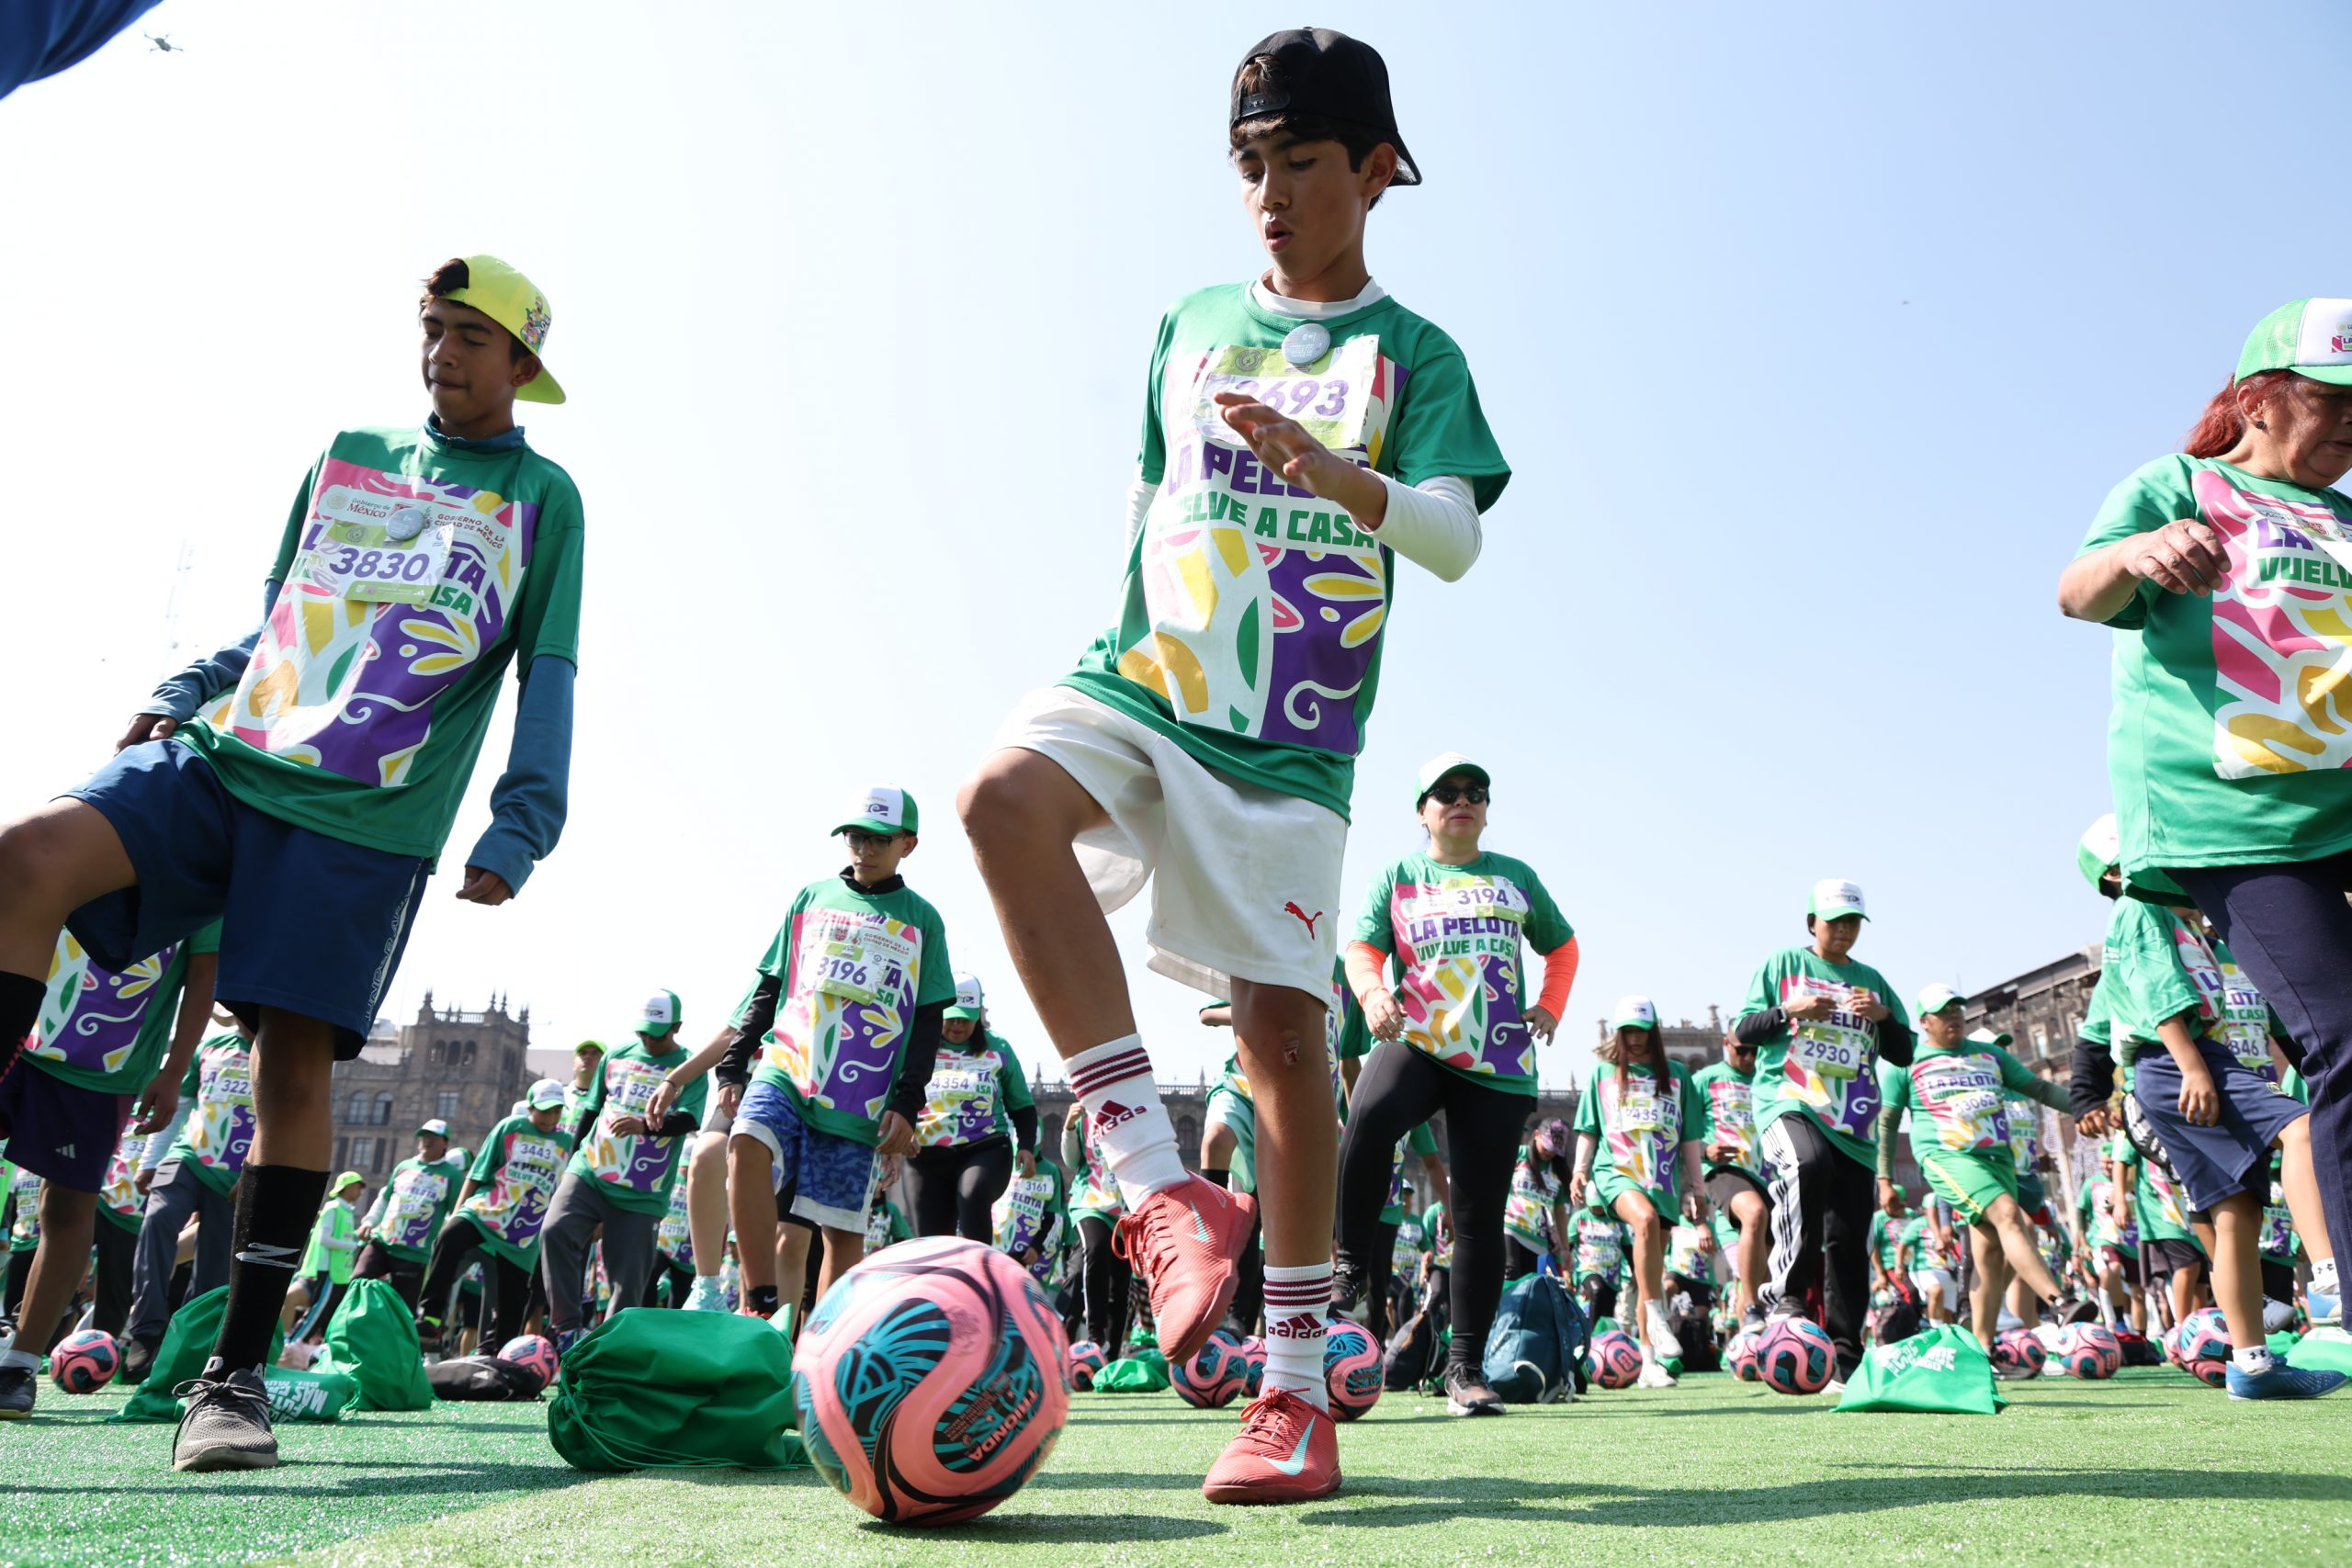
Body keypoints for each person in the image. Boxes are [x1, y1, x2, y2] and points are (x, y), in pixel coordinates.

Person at [956, 22, 1509, 1502]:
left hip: (1291, 737)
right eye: (1248, 164)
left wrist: (1337, 478)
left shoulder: (1416, 353)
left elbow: (1452, 538)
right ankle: (1155, 1186)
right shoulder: (1190, 320)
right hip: (1151, 674)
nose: (1270, 192)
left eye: (1303, 161)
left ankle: (1290, 1385)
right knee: (999, 798)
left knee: (1280, 1039)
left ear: (1379, 168)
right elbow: (1152, 500)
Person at [0, 254, 581, 1470]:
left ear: (524, 361)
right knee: (25, 857)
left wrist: (521, 820)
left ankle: (234, 1377)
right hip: (231, 754)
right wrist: (187, 686)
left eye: (472, 336)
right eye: (432, 329)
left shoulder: (544, 494)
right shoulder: (346, 449)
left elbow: (547, 674)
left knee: (292, 1066)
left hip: (363, 813)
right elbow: (278, 612)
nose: (444, 352)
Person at [2057, 299, 2352, 1294]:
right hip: (2237, 824)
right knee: (2341, 1040)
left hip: (2341, 802)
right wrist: (2137, 555)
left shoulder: (2346, 522)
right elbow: (2075, 591)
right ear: (2259, 402)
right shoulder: (2178, 484)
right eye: (2332, 401)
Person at [1336, 752, 1575, 1421]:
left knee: (1477, 1218)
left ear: (1486, 809)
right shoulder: (1401, 875)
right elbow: (1361, 947)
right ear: (1423, 810)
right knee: (1367, 1118)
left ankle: (1466, 1370)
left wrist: (1551, 1004)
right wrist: (1374, 991)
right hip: (1418, 1039)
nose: (1462, 800)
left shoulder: (1514, 876)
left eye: (1475, 792)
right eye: (1446, 792)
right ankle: (1350, 1266)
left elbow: (1562, 945)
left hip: (1497, 1061)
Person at [679, 789, 949, 1326]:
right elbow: (770, 986)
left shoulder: (923, 920)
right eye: (856, 837)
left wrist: (907, 1102)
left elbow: (927, 1021)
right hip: (788, 1064)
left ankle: (817, 1358)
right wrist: (732, 1066)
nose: (865, 850)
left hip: (861, 1091)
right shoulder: (811, 897)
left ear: (908, 845)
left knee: (840, 1233)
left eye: (879, 839)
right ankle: (758, 1304)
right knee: (745, 1142)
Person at [2096, 854, 2344, 1396]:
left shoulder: (2189, 925)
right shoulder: (2141, 909)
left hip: (2181, 1064)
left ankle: (2250, 1364)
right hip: (2181, 1060)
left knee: (2235, 1212)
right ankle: (2331, 1278)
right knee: (2300, 1129)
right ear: (2120, 873)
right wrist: (2191, 1066)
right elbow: (2159, 995)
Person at [0, 922, 219, 1417]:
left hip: (103, 1067)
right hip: (18, 1021)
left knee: (67, 1207)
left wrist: (173, 1068)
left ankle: (18, 1365)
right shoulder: (75, 843)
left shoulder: (207, 863)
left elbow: (205, 973)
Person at [1732, 879, 1915, 1390]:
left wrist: (1881, 1018)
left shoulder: (1872, 981)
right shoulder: (1783, 965)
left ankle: (1845, 1352)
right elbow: (1743, 1030)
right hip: (1789, 1102)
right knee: (1807, 1165)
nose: (1844, 931)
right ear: (1812, 922)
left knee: (1850, 1238)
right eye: (1834, 921)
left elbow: (1903, 1052)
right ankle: (1785, 1298)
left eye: (1853, 922)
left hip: (1853, 1122)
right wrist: (1791, 1011)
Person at [1873, 987, 2095, 1361]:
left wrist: (2089, 1106)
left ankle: (1980, 1350)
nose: (1954, 1016)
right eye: (1943, 1012)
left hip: (1996, 1159)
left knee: (1990, 1254)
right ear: (1925, 1022)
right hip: (1946, 1156)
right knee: (2008, 1214)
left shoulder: (1989, 1055)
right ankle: (2060, 1301)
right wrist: (1883, 1180)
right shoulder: (1906, 1062)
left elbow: (2039, 1088)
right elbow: (1888, 1123)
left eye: (1957, 1008)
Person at [541, 991, 706, 1348]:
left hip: (641, 1191)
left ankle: (609, 1353)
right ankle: (567, 1329)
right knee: (555, 1230)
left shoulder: (689, 1068)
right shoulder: (616, 1055)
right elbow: (590, 1109)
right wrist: (573, 1160)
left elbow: (689, 1119)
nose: (647, 1040)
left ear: (676, 1028)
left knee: (627, 1283)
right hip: (591, 1170)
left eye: (657, 1034)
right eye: (643, 1032)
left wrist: (645, 1126)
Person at [1571, 996, 1708, 1387]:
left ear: (1654, 1032)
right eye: (1626, 1031)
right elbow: (1589, 1127)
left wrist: (1697, 1189)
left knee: (1650, 1269)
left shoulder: (1679, 1077)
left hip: (1662, 1179)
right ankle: (1657, 1313)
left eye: (1641, 1031)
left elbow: (1690, 1139)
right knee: (1644, 1219)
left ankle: (1648, 1361)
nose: (1633, 1039)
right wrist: (1581, 1170)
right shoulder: (1604, 1074)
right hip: (1616, 1171)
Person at [417, 1080, 575, 1353]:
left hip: (524, 1232)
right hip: (488, 1210)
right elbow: (477, 1173)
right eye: (544, 1111)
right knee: (450, 1236)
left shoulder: (567, 1143)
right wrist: (456, 1214)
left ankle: (502, 1364)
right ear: (530, 1107)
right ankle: (431, 1315)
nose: (550, 1118)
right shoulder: (509, 1127)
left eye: (556, 1111)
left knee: (512, 1305)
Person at [909, 974, 1038, 1241]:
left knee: (973, 1194)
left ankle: (979, 1275)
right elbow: (900, 1091)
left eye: (965, 1019)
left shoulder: (998, 1048)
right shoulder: (920, 1045)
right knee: (931, 1238)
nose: (957, 1025)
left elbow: (1022, 1105)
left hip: (984, 1146)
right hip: (926, 1152)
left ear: (977, 1016)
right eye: (952, 1017)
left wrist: (1025, 1145)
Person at [1692, 1032, 1771, 1325]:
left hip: (1767, 1176)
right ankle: (1751, 1309)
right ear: (1726, 1044)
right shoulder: (1704, 1079)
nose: (1749, 1057)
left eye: (1754, 1051)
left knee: (1762, 1274)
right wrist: (1704, 1149)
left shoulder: (1768, 1079)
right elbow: (1679, 1129)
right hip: (1724, 1170)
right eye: (1742, 1050)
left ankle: (1747, 1343)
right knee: (1755, 1213)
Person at [352, 1119, 462, 1311]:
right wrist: (369, 1221)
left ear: (445, 1143)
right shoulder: (404, 1166)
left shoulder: (452, 1175)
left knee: (401, 1309)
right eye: (424, 1136)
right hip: (382, 1242)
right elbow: (385, 1198)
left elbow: (455, 1214)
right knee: (357, 1283)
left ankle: (392, 1340)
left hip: (414, 1253)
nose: (427, 1140)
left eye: (433, 1137)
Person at [1062, 1101, 1133, 1353]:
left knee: (1120, 1285)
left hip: (1126, 1210)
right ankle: (1095, 1336)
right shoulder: (1084, 1114)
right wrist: (1070, 1127)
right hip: (1089, 1201)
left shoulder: (1136, 1112)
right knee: (1096, 1247)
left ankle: (1111, 1353)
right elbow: (1071, 1162)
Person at [281, 1172, 363, 1343]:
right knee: (301, 1305)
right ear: (346, 1187)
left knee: (319, 1314)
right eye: (357, 1186)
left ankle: (291, 1344)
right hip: (324, 1271)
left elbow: (341, 1237)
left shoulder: (346, 1212)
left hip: (336, 1273)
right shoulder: (333, 1208)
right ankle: (287, 1341)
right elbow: (325, 1239)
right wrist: (353, 1246)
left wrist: (355, 1238)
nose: (359, 1192)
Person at [561, 1040, 606, 1142]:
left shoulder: (608, 1103)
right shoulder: (558, 1095)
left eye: (595, 1053)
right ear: (573, 1064)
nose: (587, 1057)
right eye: (583, 1053)